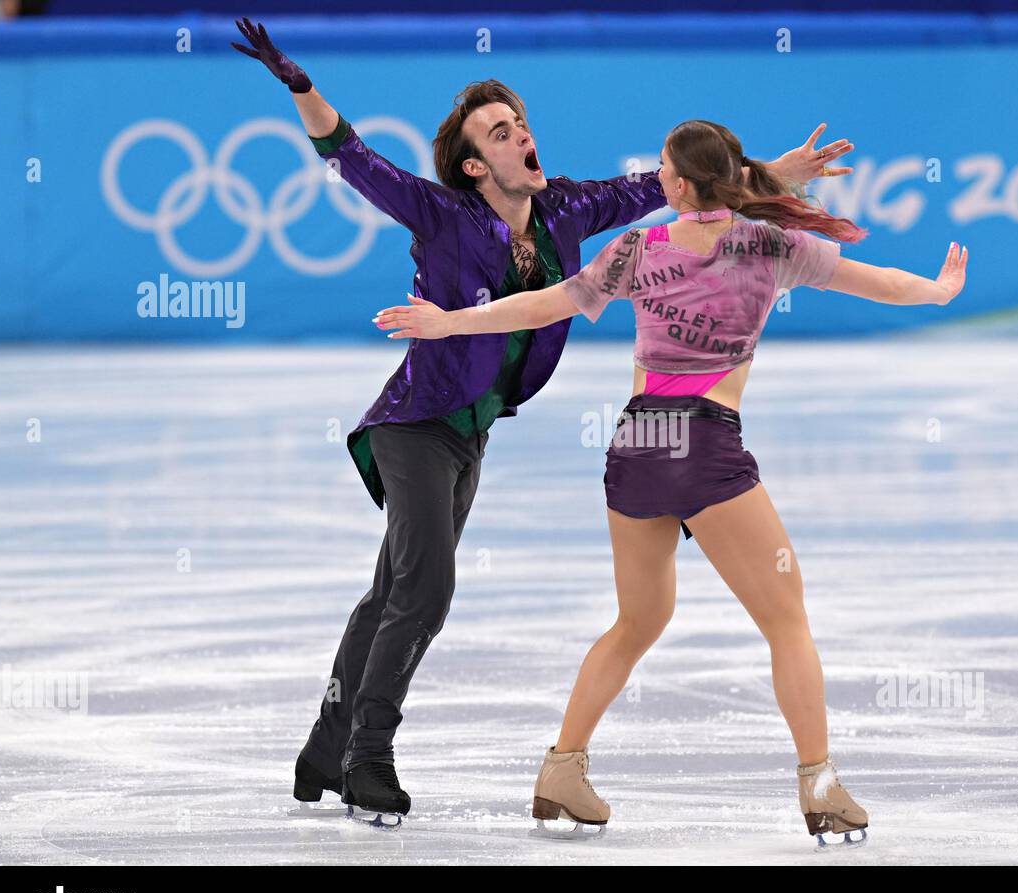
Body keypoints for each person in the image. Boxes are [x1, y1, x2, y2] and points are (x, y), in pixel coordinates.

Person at [230, 18, 857, 826]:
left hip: (469, 433)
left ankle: (327, 738)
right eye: (499, 131)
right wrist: (301, 88)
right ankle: (367, 757)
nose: (520, 134)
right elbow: (352, 159)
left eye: (519, 122)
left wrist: (767, 172)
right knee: (425, 587)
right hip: (412, 422)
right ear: (472, 164)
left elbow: (673, 190)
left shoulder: (563, 210)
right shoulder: (439, 213)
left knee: (393, 585)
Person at [375, 119, 968, 847]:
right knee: (786, 620)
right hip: (704, 445)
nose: (652, 175)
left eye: (660, 167)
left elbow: (541, 305)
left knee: (638, 621)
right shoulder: (769, 245)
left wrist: (450, 323)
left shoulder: (638, 248)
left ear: (681, 187)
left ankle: (561, 772)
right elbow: (875, 282)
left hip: (637, 446)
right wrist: (938, 292)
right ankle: (820, 786)